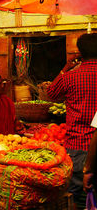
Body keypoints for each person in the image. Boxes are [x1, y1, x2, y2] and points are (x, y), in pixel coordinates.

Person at [47, 33, 97, 209]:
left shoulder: (70, 77)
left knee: (72, 197)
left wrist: (65, 68)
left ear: (80, 53)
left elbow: (51, 94)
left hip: (77, 146)